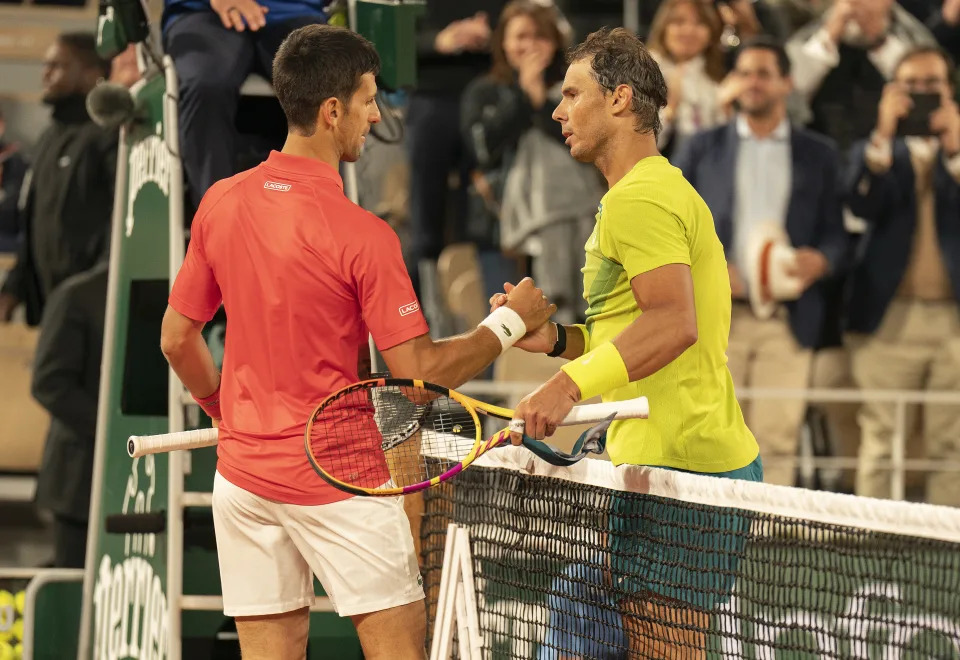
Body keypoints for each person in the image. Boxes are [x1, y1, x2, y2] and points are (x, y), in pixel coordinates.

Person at [159, 25, 554, 660]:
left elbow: (177, 340)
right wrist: (509, 324)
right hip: (338, 478)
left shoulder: (220, 202)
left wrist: (222, 412)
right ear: (332, 110)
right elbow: (418, 370)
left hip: (242, 482)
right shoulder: (360, 232)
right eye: (369, 99)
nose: (377, 115)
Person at [496, 28, 762, 657]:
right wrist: (561, 342)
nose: (558, 111)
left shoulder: (638, 198)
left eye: (572, 94)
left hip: (681, 466)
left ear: (618, 100)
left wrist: (566, 386)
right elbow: (635, 331)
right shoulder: (647, 191)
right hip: (667, 461)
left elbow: (674, 325)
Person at [673, 37, 848, 486]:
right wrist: (708, 269)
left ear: (787, 83)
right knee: (709, 436)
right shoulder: (700, 148)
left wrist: (822, 261)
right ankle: (706, 538)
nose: (753, 82)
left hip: (788, 321)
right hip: (713, 318)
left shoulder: (821, 153)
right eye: (745, 72)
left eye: (764, 73)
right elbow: (673, 227)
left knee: (776, 436)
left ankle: (771, 544)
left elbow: (836, 235)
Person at [844, 46, 960, 505]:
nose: (922, 94)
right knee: (881, 438)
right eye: (910, 84)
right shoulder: (874, 148)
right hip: (886, 320)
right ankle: (873, 541)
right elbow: (858, 205)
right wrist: (883, 135)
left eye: (932, 84)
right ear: (892, 90)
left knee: (951, 441)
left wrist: (955, 151)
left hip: (952, 321)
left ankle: (945, 542)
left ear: (949, 90)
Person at [461, 0, 602, 322]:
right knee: (502, 320)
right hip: (499, 227)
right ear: (503, 43)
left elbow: (587, 148)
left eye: (539, 36)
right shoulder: (483, 91)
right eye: (520, 36)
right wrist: (524, 97)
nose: (530, 45)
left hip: (574, 220)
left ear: (555, 42)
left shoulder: (574, 93)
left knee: (576, 311)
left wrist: (541, 102)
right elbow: (483, 150)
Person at [161, 0, 328, 211]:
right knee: (207, 86)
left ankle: (313, 226)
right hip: (202, 11)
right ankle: (216, 226)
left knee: (323, 88)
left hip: (293, 11)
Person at [0, 33, 116, 325]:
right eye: (44, 65)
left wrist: (94, 289)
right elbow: (34, 220)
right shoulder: (48, 138)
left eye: (57, 66)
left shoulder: (110, 137)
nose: (45, 74)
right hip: (52, 307)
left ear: (92, 75)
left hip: (95, 309)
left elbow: (118, 226)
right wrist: (15, 286)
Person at [31, 262, 108, 568]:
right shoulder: (78, 295)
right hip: (78, 483)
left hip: (142, 482)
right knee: (75, 587)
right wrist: (112, 426)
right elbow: (49, 383)